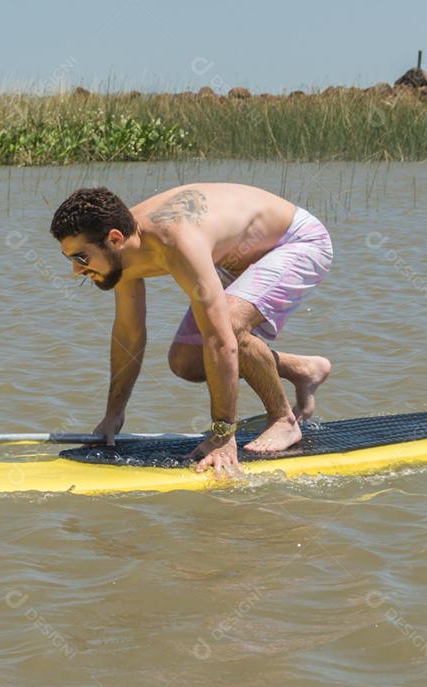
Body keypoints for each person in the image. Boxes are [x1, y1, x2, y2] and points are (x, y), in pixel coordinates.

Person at [49, 183, 333, 475]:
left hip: (296, 242)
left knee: (229, 326)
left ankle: (284, 420)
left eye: (81, 258)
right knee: (187, 361)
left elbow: (221, 340)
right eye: (70, 259)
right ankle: (303, 370)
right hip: (232, 258)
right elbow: (128, 334)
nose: (76, 271)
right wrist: (113, 415)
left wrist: (223, 435)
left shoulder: (176, 241)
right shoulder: (119, 252)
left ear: (114, 238)